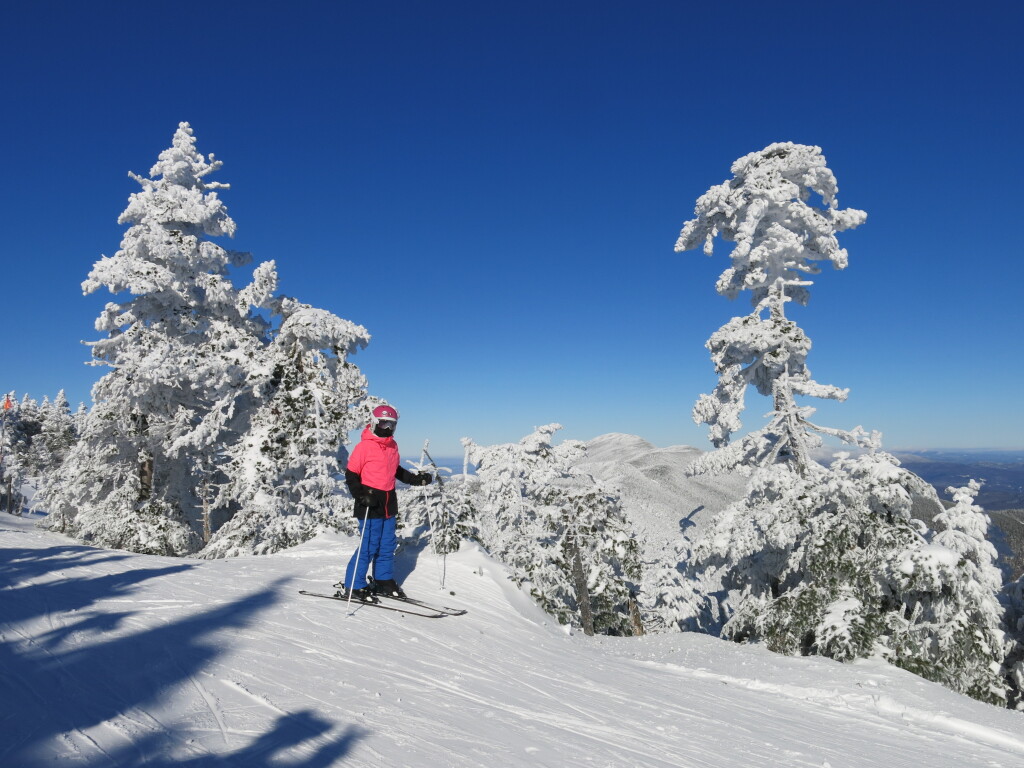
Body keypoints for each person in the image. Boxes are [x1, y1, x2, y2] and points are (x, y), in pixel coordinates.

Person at [337, 404, 431, 602]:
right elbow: (351, 474)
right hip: (369, 502)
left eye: (392, 425)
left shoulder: (392, 446)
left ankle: (383, 579)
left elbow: (395, 470)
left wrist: (415, 479)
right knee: (368, 545)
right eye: (383, 423)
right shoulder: (364, 447)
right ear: (373, 422)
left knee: (387, 544)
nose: (387, 428)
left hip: (388, 502)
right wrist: (361, 495)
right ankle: (354, 585)